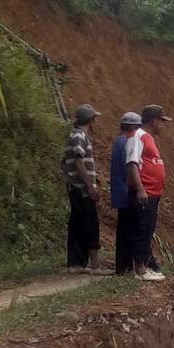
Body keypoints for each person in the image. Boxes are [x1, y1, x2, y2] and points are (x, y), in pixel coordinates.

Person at [63, 104, 113, 275]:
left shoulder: (75, 135)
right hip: (82, 189)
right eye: (94, 119)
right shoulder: (79, 136)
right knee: (90, 224)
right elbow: (78, 161)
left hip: (76, 188)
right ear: (91, 120)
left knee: (78, 225)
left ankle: (76, 263)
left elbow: (65, 163)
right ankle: (95, 266)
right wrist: (89, 185)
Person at [125, 104, 172, 282]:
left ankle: (144, 265)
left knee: (147, 229)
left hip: (152, 192)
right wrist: (140, 189)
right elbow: (132, 164)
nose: (163, 125)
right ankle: (140, 270)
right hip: (145, 192)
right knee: (142, 229)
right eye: (162, 121)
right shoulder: (137, 137)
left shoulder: (147, 137)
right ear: (154, 120)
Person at [109, 111, 160, 275]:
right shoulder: (127, 142)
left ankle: (124, 267)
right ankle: (134, 266)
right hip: (127, 192)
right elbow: (131, 167)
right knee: (134, 230)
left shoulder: (120, 142)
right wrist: (138, 189)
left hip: (123, 191)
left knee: (126, 231)